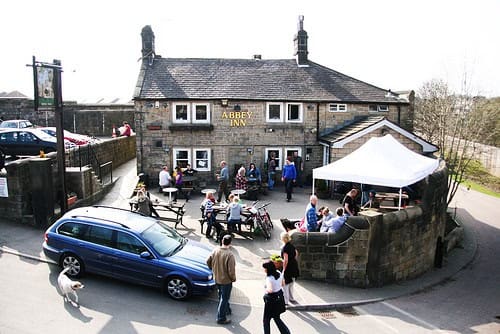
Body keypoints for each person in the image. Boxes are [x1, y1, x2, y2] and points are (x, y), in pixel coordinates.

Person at [206, 234, 236, 325]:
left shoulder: (215, 250)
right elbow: (231, 271)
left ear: (222, 241)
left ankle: (227, 310)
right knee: (225, 298)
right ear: (230, 243)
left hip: (217, 278)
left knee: (221, 295)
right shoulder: (229, 255)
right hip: (226, 280)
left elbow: (207, 261)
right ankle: (221, 318)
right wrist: (233, 279)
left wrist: (213, 269)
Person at [262, 260, 291, 334]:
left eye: (265, 268)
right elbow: (283, 284)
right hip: (279, 297)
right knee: (276, 317)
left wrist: (267, 288)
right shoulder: (278, 272)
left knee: (266, 319)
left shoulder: (269, 278)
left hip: (271, 300)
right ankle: (286, 332)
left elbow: (270, 290)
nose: (264, 270)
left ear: (268, 269)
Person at [280, 232, 299, 306]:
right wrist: (293, 261)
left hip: (288, 268)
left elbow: (286, 260)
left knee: (285, 285)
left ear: (283, 239)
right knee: (291, 284)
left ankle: (285, 301)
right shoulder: (292, 246)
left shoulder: (285, 248)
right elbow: (296, 253)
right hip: (294, 266)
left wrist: (284, 269)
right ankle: (291, 298)